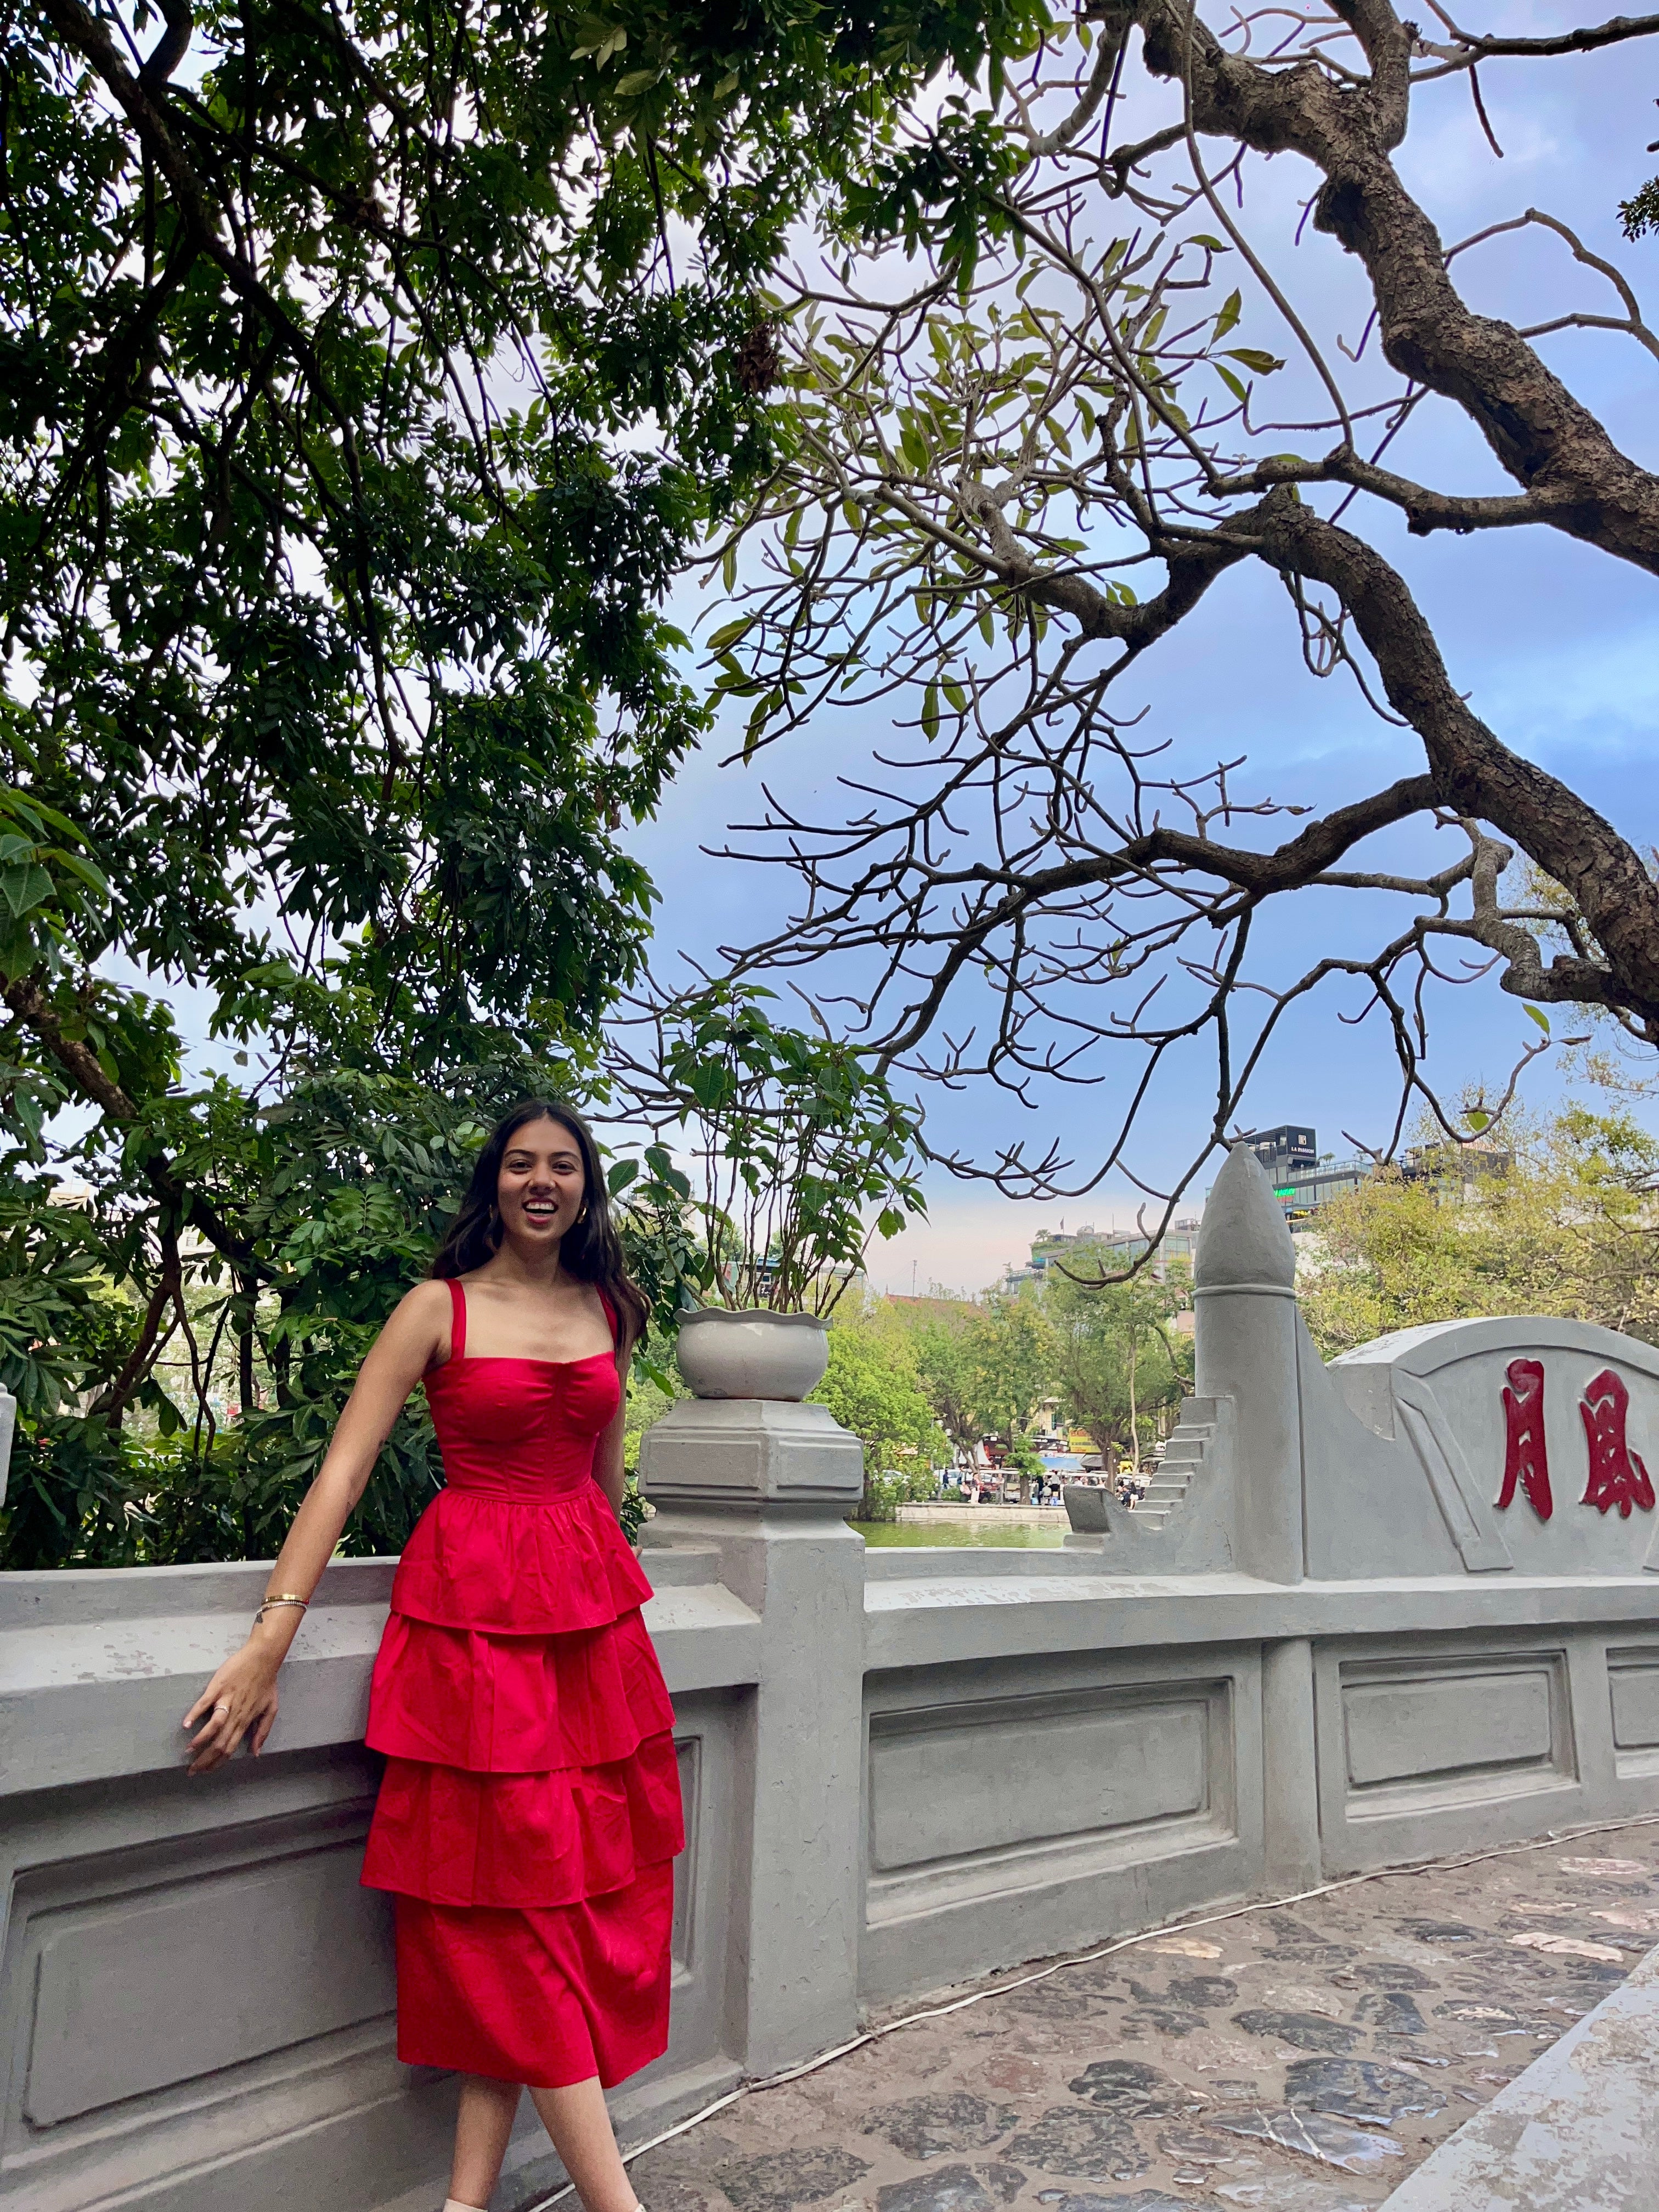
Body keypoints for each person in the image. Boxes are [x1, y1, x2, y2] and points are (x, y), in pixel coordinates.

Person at [184, 1100, 682, 2212]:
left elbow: (605, 1490)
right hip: (471, 1625)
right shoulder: (436, 1308)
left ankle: (463, 2207)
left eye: (562, 1166)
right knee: (521, 1912)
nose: (541, 1182)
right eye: (520, 1165)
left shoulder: (613, 1310)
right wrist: (273, 1639)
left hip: (587, 1634)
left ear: (586, 1187)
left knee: (547, 1910)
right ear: (492, 1184)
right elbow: (343, 1475)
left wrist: (617, 1619)